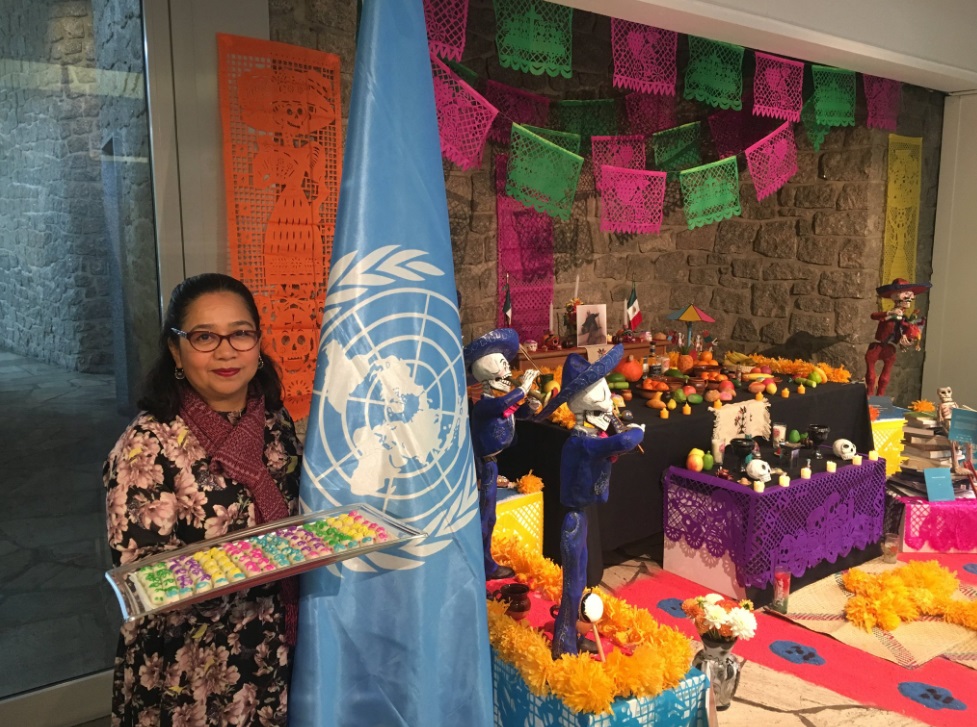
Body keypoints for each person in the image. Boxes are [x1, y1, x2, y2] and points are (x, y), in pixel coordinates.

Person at [103, 273, 302, 726]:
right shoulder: (146, 445)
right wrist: (252, 558)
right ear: (176, 350)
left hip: (273, 646)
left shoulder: (274, 422)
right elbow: (143, 579)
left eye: (240, 333)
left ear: (257, 342)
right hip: (192, 665)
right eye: (205, 337)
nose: (226, 351)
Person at [534, 345, 644, 658]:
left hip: (580, 516)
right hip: (573, 520)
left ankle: (573, 632)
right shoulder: (580, 442)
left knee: (580, 580)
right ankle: (563, 642)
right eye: (601, 400)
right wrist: (635, 432)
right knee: (572, 583)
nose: (608, 404)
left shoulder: (591, 438)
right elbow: (625, 440)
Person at [464, 328, 539, 580]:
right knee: (485, 516)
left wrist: (530, 406)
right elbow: (502, 406)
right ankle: (482, 564)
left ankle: (483, 561)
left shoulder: (500, 401)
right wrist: (523, 388)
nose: (508, 373)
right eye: (502, 367)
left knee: (490, 515)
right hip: (484, 466)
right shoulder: (484, 406)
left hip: (492, 465)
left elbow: (514, 412)